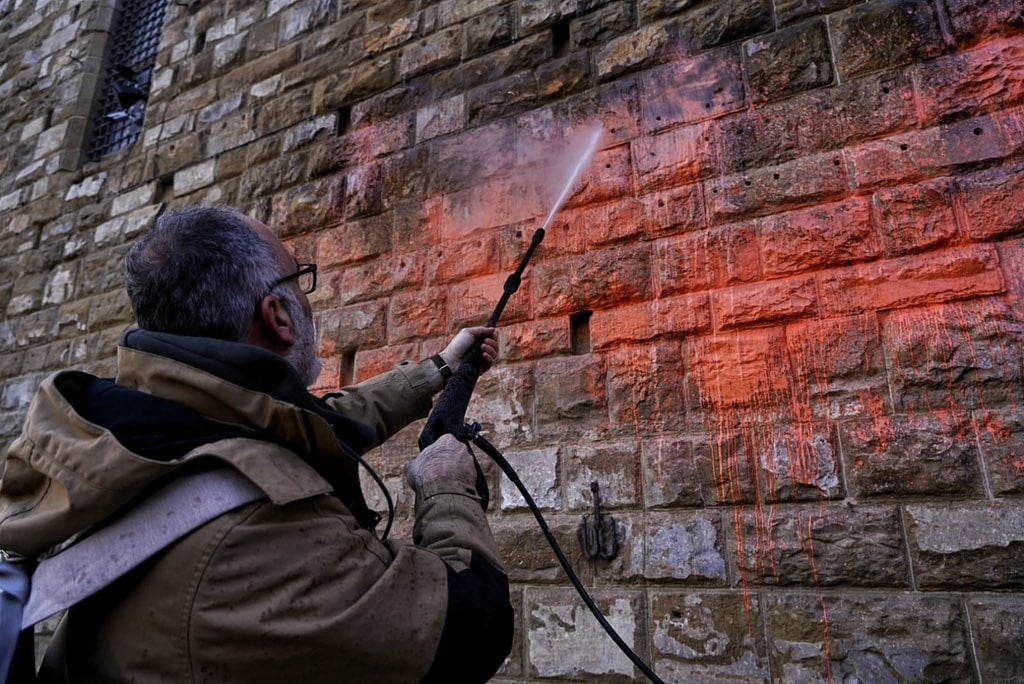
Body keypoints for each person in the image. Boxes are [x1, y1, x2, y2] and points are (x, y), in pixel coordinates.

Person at [0, 206, 513, 682]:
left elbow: (310, 421)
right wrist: (446, 487)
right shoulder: (265, 536)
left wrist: (437, 369)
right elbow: (468, 629)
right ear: (279, 317)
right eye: (300, 280)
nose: (308, 300)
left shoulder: (148, 422)